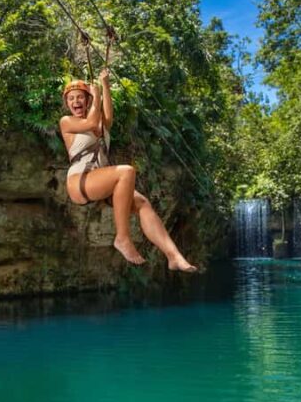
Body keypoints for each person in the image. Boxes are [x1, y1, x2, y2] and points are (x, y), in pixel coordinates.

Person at [59, 68, 197, 272]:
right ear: (67, 104)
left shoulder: (101, 125)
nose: (76, 101)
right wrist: (94, 95)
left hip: (98, 181)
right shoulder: (67, 122)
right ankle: (122, 238)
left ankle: (173, 256)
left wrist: (104, 84)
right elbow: (89, 121)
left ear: (86, 101)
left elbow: (107, 116)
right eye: (71, 99)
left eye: (80, 97)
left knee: (142, 203)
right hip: (79, 181)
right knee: (126, 172)